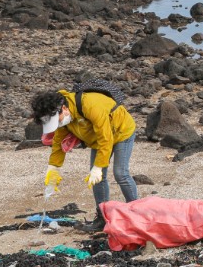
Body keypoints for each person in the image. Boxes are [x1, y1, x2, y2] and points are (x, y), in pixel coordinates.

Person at [32, 88, 137, 232]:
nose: (57, 124)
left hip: (122, 131)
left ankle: (137, 216)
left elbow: (105, 138)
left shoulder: (90, 105)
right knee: (97, 179)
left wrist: (98, 167)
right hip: (98, 139)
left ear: (63, 108)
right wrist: (53, 168)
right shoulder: (64, 117)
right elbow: (58, 141)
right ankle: (103, 218)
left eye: (57, 120)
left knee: (120, 173)